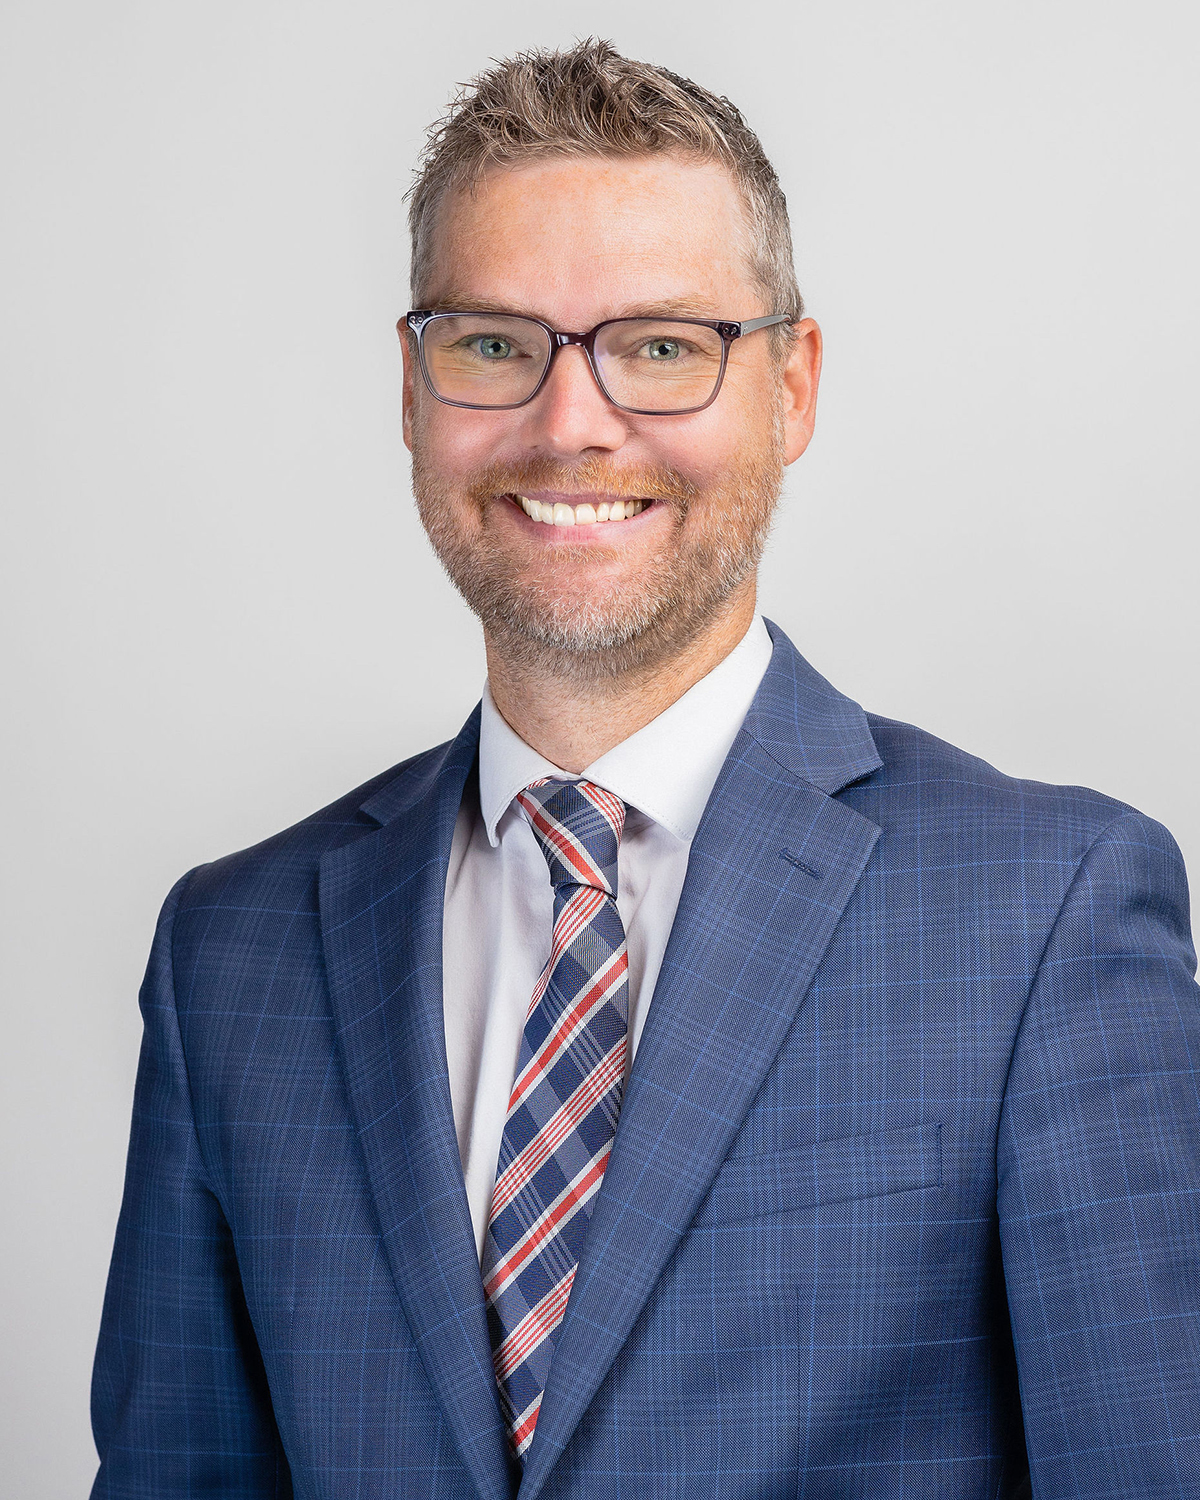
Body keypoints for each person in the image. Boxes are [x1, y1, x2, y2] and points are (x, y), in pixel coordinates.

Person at [90, 39, 1200, 1500]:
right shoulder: (232, 954)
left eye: (664, 348)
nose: (571, 423)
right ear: (413, 390)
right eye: (496, 345)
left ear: (792, 389)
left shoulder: (1045, 913)